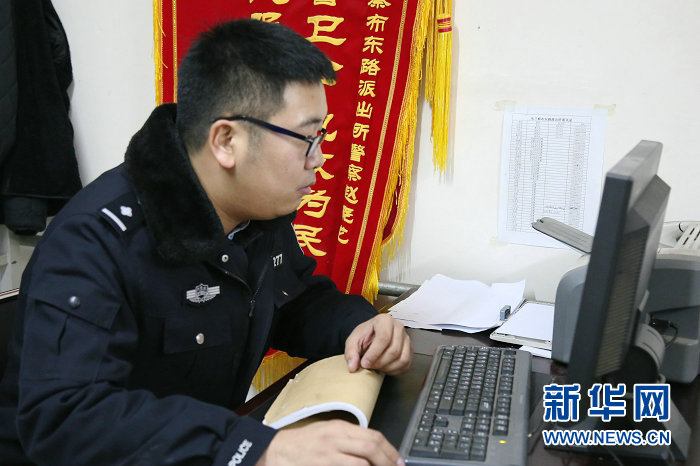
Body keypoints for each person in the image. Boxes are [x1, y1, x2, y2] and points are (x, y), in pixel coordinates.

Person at [0, 19, 412, 465]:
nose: (320, 158)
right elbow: (66, 418)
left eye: (321, 137)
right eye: (306, 139)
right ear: (226, 141)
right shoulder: (96, 240)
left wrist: (358, 326)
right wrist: (253, 448)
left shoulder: (255, 214)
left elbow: (294, 301)